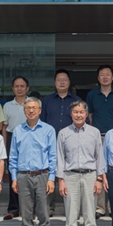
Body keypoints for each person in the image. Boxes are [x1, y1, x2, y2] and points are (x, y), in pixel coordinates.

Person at [9, 97, 57, 226]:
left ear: (40, 110)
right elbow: (13, 156)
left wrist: (51, 178)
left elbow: (53, 156)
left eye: (34, 108)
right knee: (26, 216)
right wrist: (13, 178)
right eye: (28, 108)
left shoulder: (48, 130)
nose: (31, 111)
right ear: (24, 111)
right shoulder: (18, 130)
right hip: (23, 176)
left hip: (43, 175)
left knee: (44, 215)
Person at [57, 101, 104, 226]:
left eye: (81, 112)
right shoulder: (63, 133)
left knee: (90, 217)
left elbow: (99, 157)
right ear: (71, 114)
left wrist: (99, 179)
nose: (78, 115)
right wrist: (61, 180)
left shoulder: (94, 132)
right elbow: (60, 158)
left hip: (90, 176)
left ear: (86, 114)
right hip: (70, 176)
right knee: (71, 217)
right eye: (75, 112)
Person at [87, 64, 113, 220]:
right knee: (99, 170)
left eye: (108, 74)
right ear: (98, 78)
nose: (105, 77)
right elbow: (90, 116)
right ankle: (100, 207)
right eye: (102, 75)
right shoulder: (92, 94)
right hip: (98, 136)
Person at [41, 69, 81, 217]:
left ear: (69, 82)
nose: (62, 82)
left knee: (70, 174)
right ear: (54, 82)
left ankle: (71, 207)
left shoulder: (76, 101)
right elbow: (42, 122)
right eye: (59, 80)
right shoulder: (47, 100)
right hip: (50, 142)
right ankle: (49, 207)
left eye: (65, 79)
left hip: (72, 143)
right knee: (50, 173)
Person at [2, 76, 30, 221]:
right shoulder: (7, 106)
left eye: (22, 86)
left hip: (30, 138)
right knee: (14, 173)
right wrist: (4, 146)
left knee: (29, 173)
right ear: (13, 89)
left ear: (27, 88)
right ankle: (13, 209)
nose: (19, 89)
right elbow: (5, 127)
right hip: (12, 138)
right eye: (17, 86)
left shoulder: (33, 103)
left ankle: (30, 209)